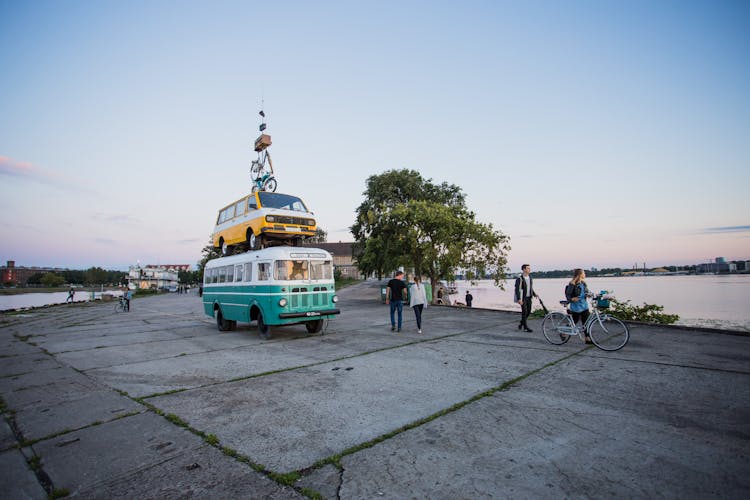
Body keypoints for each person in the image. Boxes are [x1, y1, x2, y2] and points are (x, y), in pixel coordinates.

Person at [565, 268, 591, 342]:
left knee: (586, 322)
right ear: (580, 274)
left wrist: (589, 295)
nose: (585, 274)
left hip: (584, 305)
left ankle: (587, 338)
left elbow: (586, 292)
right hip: (576, 306)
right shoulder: (572, 284)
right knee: (574, 321)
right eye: (584, 273)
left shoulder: (583, 283)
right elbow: (568, 294)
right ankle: (563, 332)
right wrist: (572, 299)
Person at [514, 264, 537, 332]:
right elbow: (517, 290)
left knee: (528, 312)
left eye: (529, 268)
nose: (529, 270)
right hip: (522, 298)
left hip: (529, 297)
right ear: (524, 269)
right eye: (528, 268)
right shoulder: (520, 279)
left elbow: (530, 288)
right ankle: (525, 328)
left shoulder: (530, 278)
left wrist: (534, 294)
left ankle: (521, 323)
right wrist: (519, 299)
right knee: (524, 312)